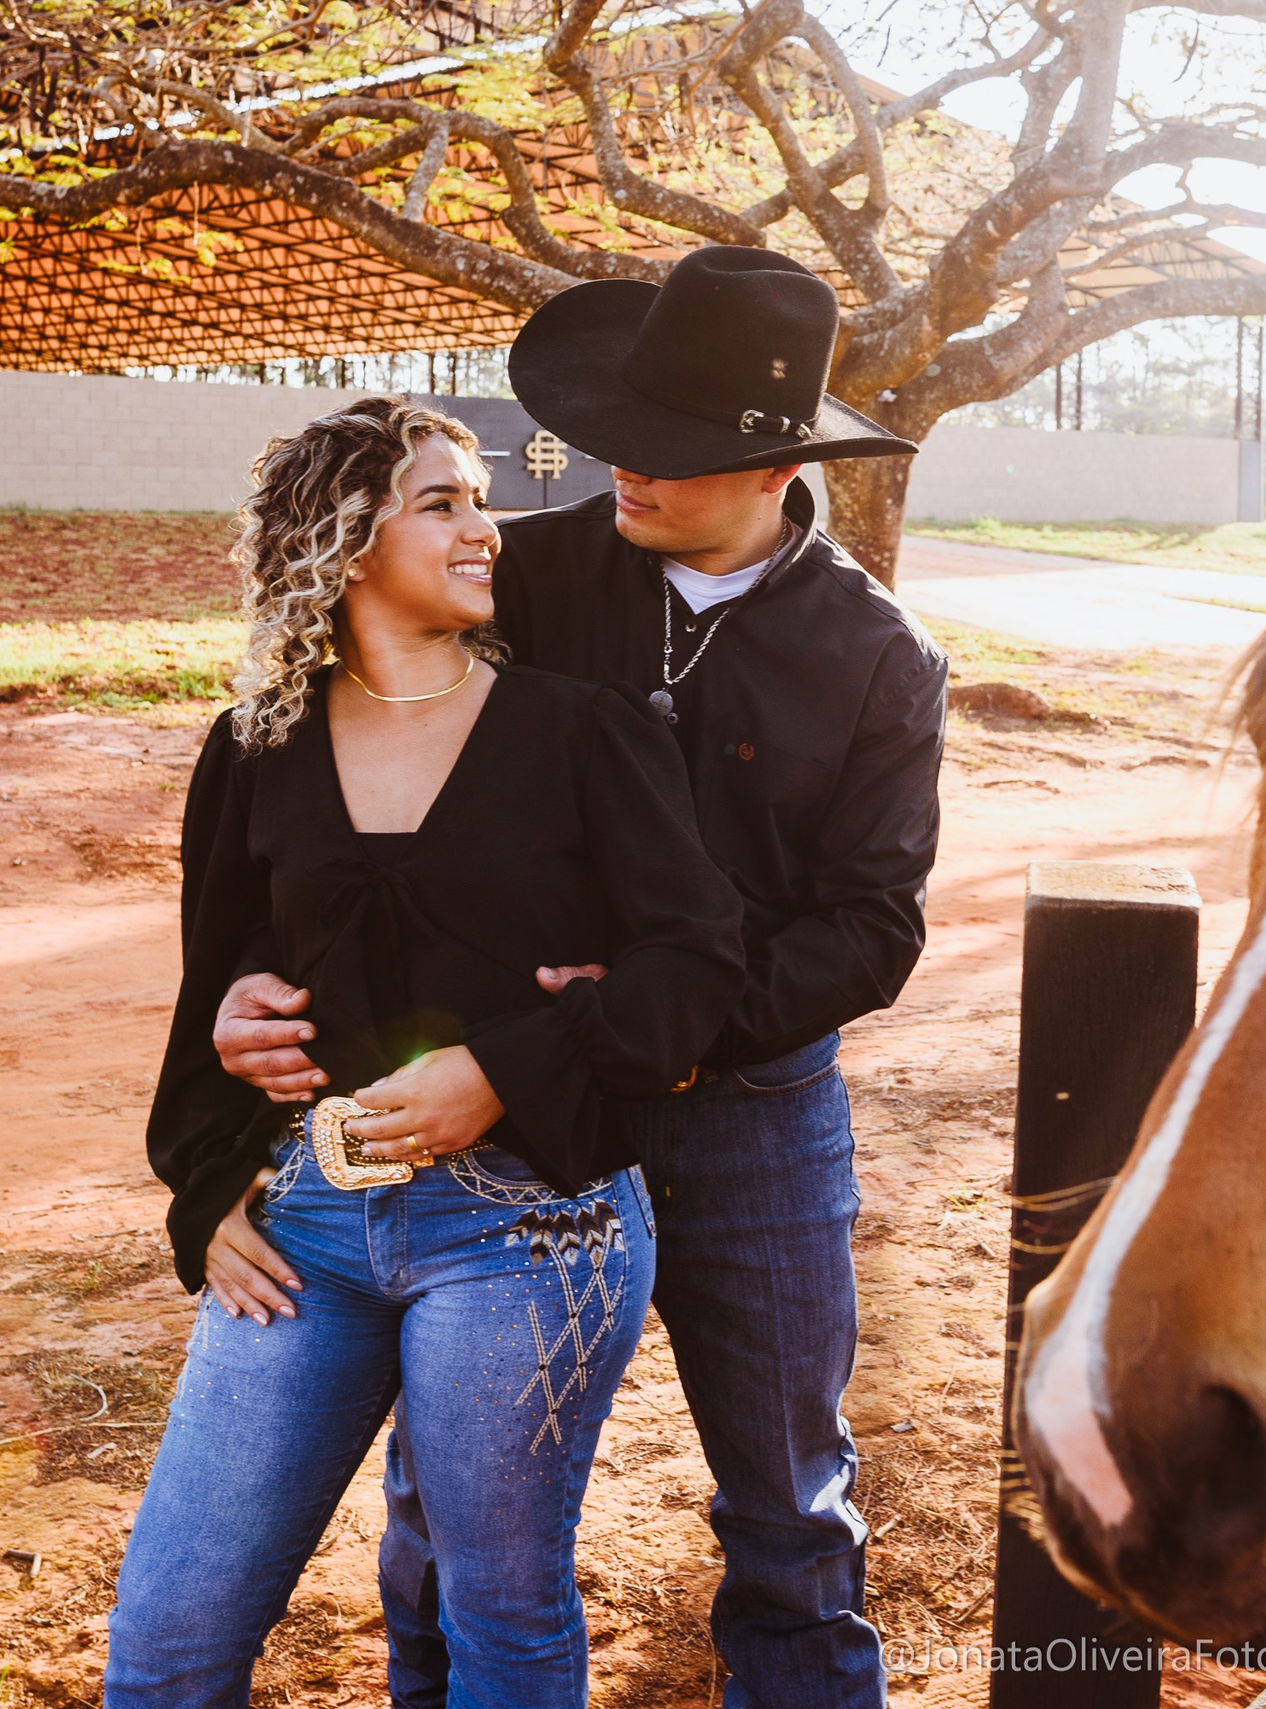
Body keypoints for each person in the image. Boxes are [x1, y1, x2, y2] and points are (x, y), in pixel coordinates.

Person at [211, 249, 946, 1709]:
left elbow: (873, 929)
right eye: (621, 425)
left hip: (752, 1121)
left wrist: (647, 1018)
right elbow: (346, 782)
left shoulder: (880, 656)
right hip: (497, 1109)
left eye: (670, 450)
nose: (626, 465)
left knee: (790, 1499)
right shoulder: (520, 576)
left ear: (777, 463)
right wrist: (248, 972)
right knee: (442, 1503)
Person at [110, 399, 747, 1708]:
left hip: (531, 1233)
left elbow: (697, 968)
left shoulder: (585, 732)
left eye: (480, 497)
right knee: (166, 1643)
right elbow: (213, 985)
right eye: (442, 501)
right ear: (346, 542)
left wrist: (502, 1067)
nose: (486, 529)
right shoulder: (253, 748)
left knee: (494, 1615)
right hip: (307, 1232)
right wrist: (205, 1177)